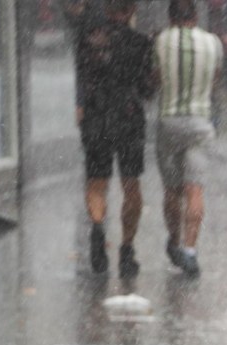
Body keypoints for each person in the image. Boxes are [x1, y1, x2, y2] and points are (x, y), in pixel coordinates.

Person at [73, 0, 154, 277]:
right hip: (128, 118)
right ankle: (126, 250)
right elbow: (146, 89)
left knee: (97, 182)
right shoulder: (140, 43)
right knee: (131, 185)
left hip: (97, 116)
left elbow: (83, 80)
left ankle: (97, 228)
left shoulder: (89, 40)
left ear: (106, 10)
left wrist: (84, 107)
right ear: (131, 10)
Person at [153, 0, 224, 277]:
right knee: (195, 189)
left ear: (171, 17)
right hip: (199, 124)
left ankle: (173, 239)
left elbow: (155, 77)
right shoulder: (213, 43)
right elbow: (216, 78)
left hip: (168, 123)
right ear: (195, 15)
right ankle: (190, 250)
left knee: (172, 190)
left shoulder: (160, 41)